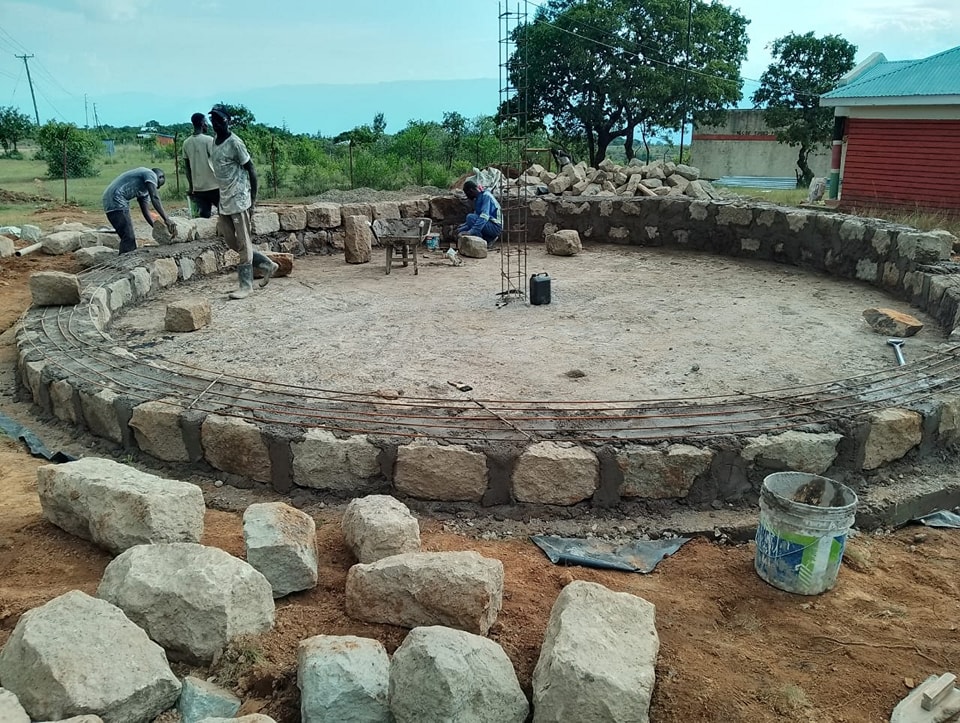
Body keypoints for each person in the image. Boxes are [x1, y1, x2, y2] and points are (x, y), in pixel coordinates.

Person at [208, 105, 278, 300]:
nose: (215, 123)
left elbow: (251, 170)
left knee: (244, 242)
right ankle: (267, 264)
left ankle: (246, 285)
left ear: (227, 121)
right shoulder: (215, 141)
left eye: (219, 120)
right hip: (224, 198)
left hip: (239, 198)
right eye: (213, 120)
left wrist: (253, 200)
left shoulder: (235, 143)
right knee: (232, 242)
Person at [101, 167, 176, 254]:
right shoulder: (150, 174)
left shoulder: (145, 190)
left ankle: (126, 259)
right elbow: (155, 197)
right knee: (128, 237)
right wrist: (167, 219)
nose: (156, 188)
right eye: (157, 185)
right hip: (115, 199)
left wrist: (158, 229)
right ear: (160, 177)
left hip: (114, 200)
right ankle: (125, 263)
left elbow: (146, 212)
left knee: (128, 236)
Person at [182, 112, 220, 218]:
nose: (207, 125)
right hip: (214, 185)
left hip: (198, 188)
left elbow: (187, 168)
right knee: (224, 213)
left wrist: (191, 187)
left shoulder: (186, 143)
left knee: (204, 217)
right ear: (203, 123)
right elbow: (217, 161)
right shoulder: (209, 140)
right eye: (206, 122)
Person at [458, 179, 503, 250]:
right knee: (461, 230)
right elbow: (477, 217)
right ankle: (487, 238)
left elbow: (484, 217)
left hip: (495, 226)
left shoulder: (486, 196)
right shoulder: (478, 198)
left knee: (470, 218)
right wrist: (462, 227)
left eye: (467, 194)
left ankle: (482, 243)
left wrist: (471, 232)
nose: (468, 197)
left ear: (471, 191)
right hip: (487, 224)